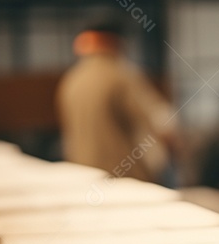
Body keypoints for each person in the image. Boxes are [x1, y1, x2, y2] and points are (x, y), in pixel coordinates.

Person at [56, 20, 175, 183]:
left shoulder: (71, 80)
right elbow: (161, 123)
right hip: (124, 179)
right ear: (117, 42)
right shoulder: (121, 76)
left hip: (85, 178)